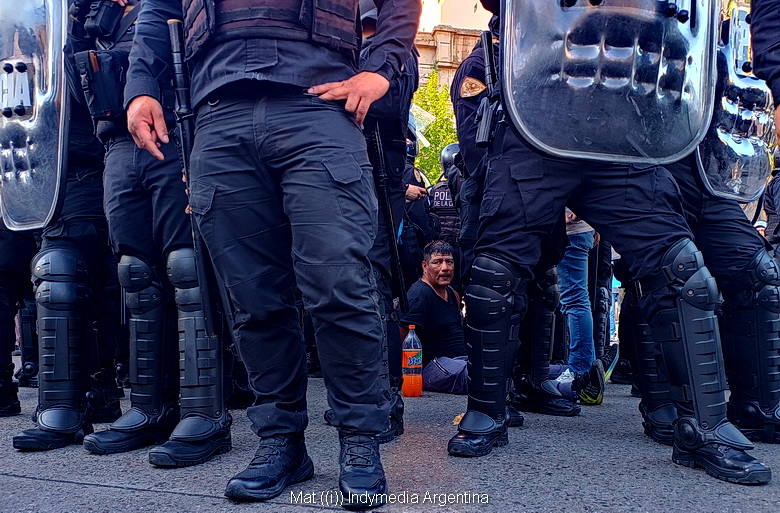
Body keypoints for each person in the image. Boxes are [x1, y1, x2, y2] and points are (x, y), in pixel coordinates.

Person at [449, 0, 771, 486]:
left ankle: (704, 427)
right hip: (537, 115)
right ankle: (486, 412)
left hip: (624, 128)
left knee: (681, 271)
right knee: (496, 275)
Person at [125, 0, 420, 506]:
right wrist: (140, 88)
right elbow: (157, 9)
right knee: (252, 299)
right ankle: (281, 442)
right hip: (218, 111)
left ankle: (360, 441)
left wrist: (380, 69)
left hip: (318, 103)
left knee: (340, 286)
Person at [70, 0, 231, 466]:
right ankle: (149, 408)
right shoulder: (90, 19)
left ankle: (204, 411)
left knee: (188, 267)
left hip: (176, 130)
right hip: (118, 140)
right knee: (136, 274)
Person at [399, 241, 468, 394]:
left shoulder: (452, 294)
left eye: (449, 262)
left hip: (459, 360)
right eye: (437, 262)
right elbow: (401, 340)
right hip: (433, 366)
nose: (445, 268)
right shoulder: (419, 296)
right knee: (479, 378)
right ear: (425, 266)